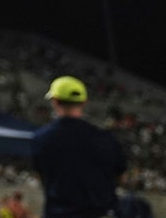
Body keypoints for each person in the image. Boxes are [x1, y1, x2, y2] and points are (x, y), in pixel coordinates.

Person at [30, 75, 126, 218]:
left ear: (55, 101)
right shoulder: (106, 138)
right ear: (84, 102)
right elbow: (121, 177)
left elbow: (39, 175)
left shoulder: (41, 138)